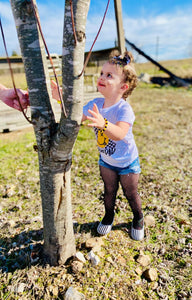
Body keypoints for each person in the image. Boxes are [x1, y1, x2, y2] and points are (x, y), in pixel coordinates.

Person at [52, 51, 144, 240]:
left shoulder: (124, 109)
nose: (101, 77)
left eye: (109, 75)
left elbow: (120, 134)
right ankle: (108, 217)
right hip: (107, 161)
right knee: (109, 191)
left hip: (127, 162)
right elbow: (75, 115)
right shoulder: (95, 103)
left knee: (130, 193)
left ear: (123, 87)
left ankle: (138, 218)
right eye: (102, 73)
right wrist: (60, 98)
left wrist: (104, 124)